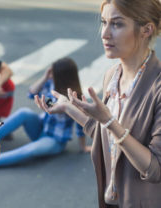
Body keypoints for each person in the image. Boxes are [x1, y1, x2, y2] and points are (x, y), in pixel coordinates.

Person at [35, 0, 161, 207]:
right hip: (111, 200)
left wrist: (110, 121)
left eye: (117, 24)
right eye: (104, 22)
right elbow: (106, 137)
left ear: (147, 29)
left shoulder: (157, 87)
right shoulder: (112, 76)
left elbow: (155, 169)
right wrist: (68, 107)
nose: (104, 34)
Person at [0, 58, 91, 168]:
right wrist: (45, 77)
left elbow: (80, 126)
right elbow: (31, 93)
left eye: (53, 73)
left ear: (62, 76)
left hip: (54, 140)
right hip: (41, 127)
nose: (51, 75)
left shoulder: (74, 97)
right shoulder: (51, 83)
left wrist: (83, 147)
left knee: (30, 149)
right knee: (24, 112)